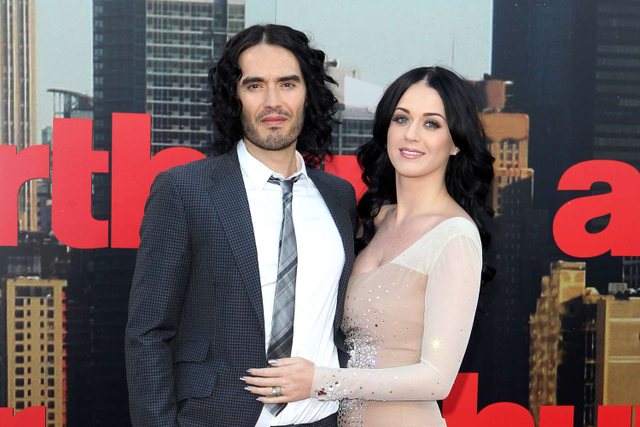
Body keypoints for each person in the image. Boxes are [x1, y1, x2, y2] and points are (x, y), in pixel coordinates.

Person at [125, 24, 356, 427]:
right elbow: (148, 332)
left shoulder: (338, 197)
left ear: (309, 93)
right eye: (254, 85)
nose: (273, 101)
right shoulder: (185, 190)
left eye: (287, 84)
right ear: (234, 96)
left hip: (322, 417)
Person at [243, 66, 495, 426]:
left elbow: (437, 378)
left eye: (431, 124)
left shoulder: (454, 236)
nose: (411, 135)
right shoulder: (374, 219)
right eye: (402, 118)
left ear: (456, 142)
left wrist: (319, 381)